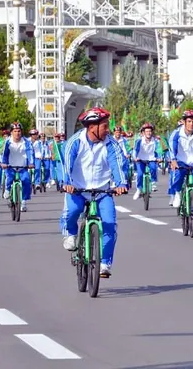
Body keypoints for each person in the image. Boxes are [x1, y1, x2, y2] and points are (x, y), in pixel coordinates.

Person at [60, 107, 128, 277]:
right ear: (92, 127)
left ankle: (104, 263)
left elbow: (117, 164)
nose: (108, 130)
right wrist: (66, 183)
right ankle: (71, 233)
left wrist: (120, 183)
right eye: (104, 126)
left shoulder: (111, 144)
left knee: (109, 225)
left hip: (102, 190)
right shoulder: (75, 142)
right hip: (77, 189)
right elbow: (65, 164)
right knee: (72, 212)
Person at [1, 122, 34, 211]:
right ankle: (7, 190)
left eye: (19, 131)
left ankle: (23, 202)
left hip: (23, 167)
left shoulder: (26, 142)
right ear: (11, 132)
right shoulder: (7, 142)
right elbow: (4, 154)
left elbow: (30, 152)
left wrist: (31, 163)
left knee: (26, 181)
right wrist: (3, 163)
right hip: (10, 166)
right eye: (15, 131)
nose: (17, 133)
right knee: (9, 178)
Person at [133, 122, 160, 200]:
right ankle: (138, 190)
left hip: (151, 159)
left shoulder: (155, 141)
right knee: (140, 174)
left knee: (154, 168)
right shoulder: (139, 141)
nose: (149, 133)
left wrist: (159, 157)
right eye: (147, 131)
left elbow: (159, 150)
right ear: (143, 133)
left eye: (150, 131)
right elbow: (135, 150)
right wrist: (135, 157)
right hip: (140, 159)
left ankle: (154, 183)